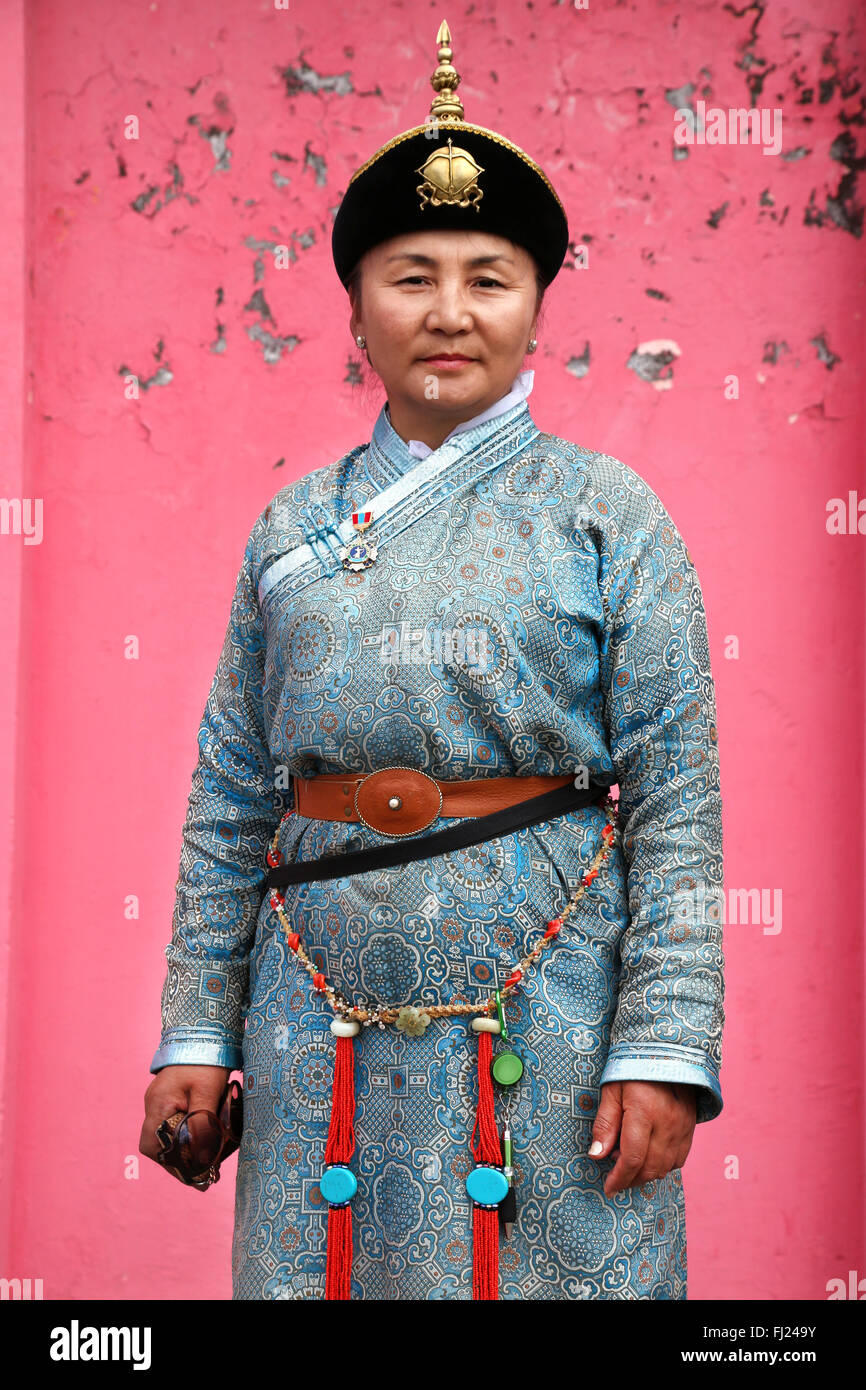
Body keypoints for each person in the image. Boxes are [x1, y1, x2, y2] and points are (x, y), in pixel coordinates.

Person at [140, 19, 725, 1301]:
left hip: (555, 1016)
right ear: (353, 302)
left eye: (488, 276)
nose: (449, 313)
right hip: (314, 1017)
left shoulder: (608, 516)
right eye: (410, 276)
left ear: (535, 305)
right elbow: (232, 793)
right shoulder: (291, 529)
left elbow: (677, 798)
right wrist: (194, 1030)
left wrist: (665, 1050)